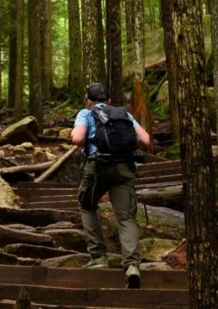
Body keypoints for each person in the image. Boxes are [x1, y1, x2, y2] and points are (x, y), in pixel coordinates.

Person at [71, 82, 152, 288]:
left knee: (87, 205)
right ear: (108, 100)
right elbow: (146, 139)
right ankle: (132, 266)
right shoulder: (123, 114)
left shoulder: (86, 113)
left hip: (97, 169)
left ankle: (98, 257)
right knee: (126, 217)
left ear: (89, 101)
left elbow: (78, 139)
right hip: (124, 169)